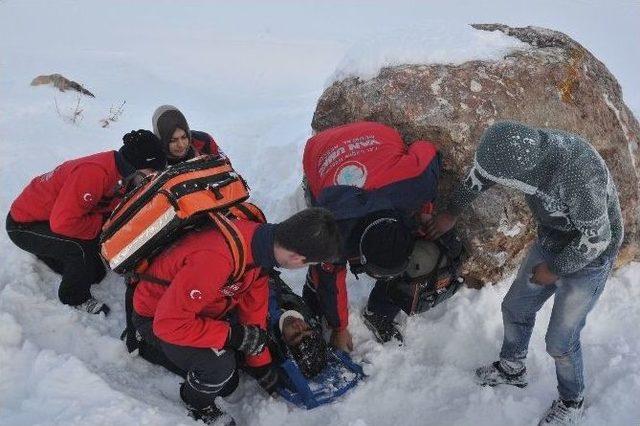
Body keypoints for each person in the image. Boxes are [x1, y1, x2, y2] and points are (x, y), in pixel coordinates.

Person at [426, 120, 623, 426]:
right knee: (515, 307)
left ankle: (572, 401)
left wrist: (554, 270)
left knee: (560, 340)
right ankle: (512, 368)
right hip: (551, 240)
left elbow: (599, 238)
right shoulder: (510, 148)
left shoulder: (579, 174)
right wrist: (451, 212)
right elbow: (478, 178)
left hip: (591, 257)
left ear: (521, 174)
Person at [131, 207, 341, 425]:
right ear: (297, 258)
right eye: (309, 264)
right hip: (155, 318)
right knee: (221, 368)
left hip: (197, 306)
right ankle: (194, 401)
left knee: (235, 361)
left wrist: (261, 365)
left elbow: (253, 312)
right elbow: (169, 324)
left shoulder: (261, 247)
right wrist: (233, 336)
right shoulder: (217, 259)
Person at [302, 121, 441, 349]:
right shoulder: (333, 229)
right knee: (323, 264)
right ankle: (312, 293)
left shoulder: (419, 185)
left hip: (374, 135)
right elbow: (331, 278)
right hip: (321, 150)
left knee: (422, 257)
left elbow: (427, 149)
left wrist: (426, 211)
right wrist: (340, 328)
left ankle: (380, 311)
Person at [6, 130, 166, 314]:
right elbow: (63, 223)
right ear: (137, 166)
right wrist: (102, 226)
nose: (151, 177)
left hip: (53, 218)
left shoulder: (122, 174)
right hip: (25, 225)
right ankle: (73, 298)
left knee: (95, 274)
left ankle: (51, 252)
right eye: (152, 171)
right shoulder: (93, 173)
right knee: (80, 250)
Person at [151, 105, 223, 166]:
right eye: (172, 140)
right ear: (161, 139)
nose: (181, 145)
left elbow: (228, 170)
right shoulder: (149, 157)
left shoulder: (204, 141)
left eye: (184, 137)